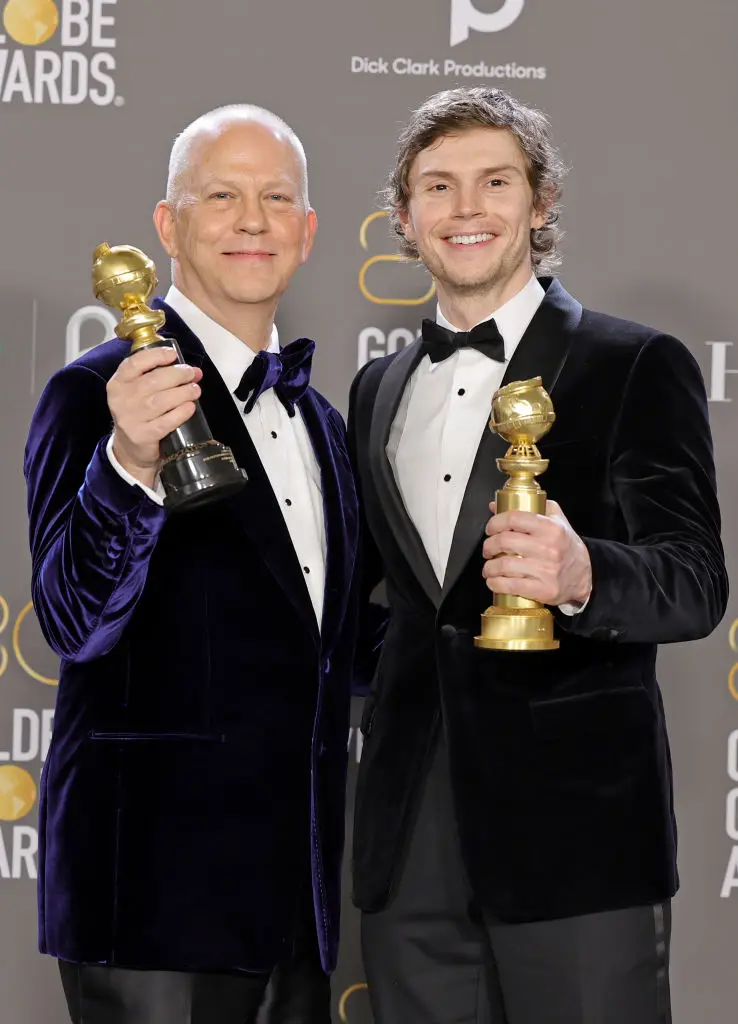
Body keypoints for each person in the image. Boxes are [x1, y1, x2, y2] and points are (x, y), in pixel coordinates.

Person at [348, 86, 728, 1024]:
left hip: (579, 839)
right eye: (437, 186)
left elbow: (695, 583)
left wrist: (584, 573)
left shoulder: (633, 363)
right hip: (409, 843)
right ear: (404, 217)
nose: (466, 209)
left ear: (542, 201)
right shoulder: (375, 389)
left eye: (495, 182)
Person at [25, 104, 367, 1024]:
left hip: (295, 909)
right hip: (151, 906)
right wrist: (128, 469)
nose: (252, 220)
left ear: (307, 232)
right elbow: (72, 620)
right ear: (169, 225)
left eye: (275, 198)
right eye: (222, 195)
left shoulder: (322, 424)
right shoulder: (95, 392)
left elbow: (343, 648)